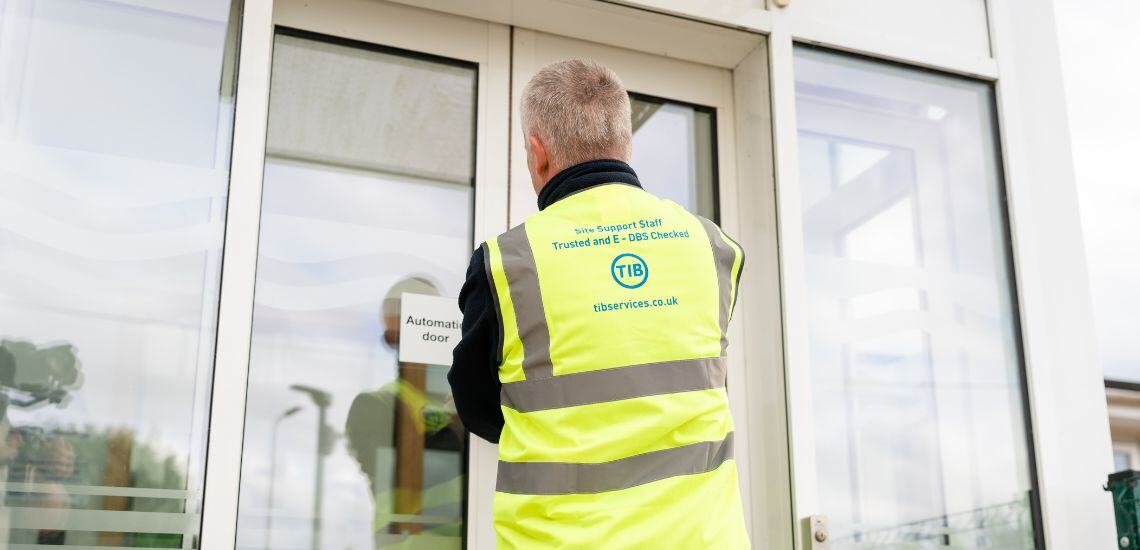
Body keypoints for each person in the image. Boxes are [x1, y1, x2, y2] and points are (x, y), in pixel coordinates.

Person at [448, 59, 749, 548]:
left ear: (537, 152)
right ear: (626, 143)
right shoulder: (712, 246)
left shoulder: (507, 263)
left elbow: (477, 404)